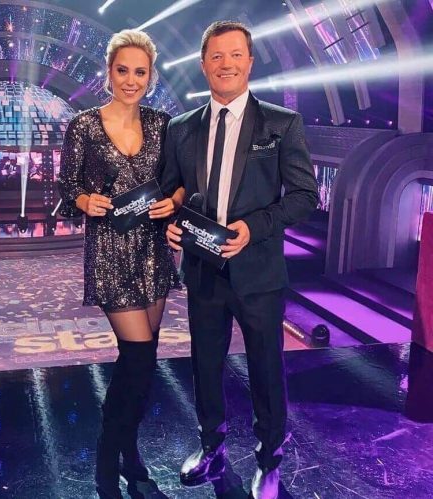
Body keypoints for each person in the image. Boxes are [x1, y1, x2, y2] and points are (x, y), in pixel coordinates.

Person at [161, 21, 319, 498]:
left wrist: (255, 227)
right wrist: (172, 223)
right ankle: (211, 446)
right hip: (203, 270)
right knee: (205, 366)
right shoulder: (181, 128)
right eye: (216, 56)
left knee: (266, 370)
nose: (225, 64)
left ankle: (269, 459)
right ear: (203, 64)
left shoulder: (281, 123)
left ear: (249, 62)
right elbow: (174, 191)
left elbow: (305, 197)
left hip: (259, 273)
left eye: (235, 55)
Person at [58, 29, 184, 499]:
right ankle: (109, 463)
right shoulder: (84, 126)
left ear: (151, 77)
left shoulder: (163, 124)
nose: (131, 80)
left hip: (153, 252)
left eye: (140, 72)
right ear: (108, 73)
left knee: (142, 365)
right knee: (137, 357)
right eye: (123, 70)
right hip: (111, 253)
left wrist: (173, 202)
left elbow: (180, 182)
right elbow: (66, 188)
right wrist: (84, 200)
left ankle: (128, 456)